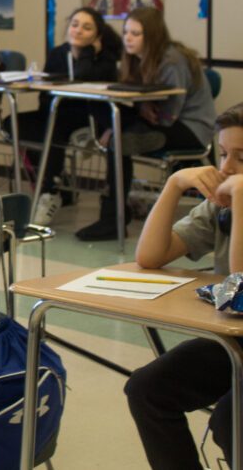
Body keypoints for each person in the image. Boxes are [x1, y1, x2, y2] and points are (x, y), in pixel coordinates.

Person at [124, 102, 243, 470]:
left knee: (229, 421)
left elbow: (240, 287)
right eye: (223, 154)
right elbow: (151, 255)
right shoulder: (222, 208)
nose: (225, 168)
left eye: (241, 157)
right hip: (236, 342)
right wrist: (175, 184)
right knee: (147, 389)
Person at [76, 7, 216, 241]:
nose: (128, 38)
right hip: (163, 124)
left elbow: (168, 116)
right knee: (103, 113)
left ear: (152, 36)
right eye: (126, 32)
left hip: (189, 128)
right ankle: (116, 213)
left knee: (119, 142)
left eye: (136, 33)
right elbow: (144, 106)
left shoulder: (172, 60)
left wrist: (135, 115)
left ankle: (112, 218)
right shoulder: (136, 60)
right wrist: (139, 112)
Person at [9, 7, 121, 224]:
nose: (78, 31)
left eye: (87, 28)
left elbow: (82, 77)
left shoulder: (105, 58)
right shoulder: (58, 53)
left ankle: (49, 191)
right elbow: (46, 95)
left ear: (98, 36)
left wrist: (88, 53)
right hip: (56, 112)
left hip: (87, 117)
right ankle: (59, 185)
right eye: (74, 24)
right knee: (13, 123)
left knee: (54, 130)